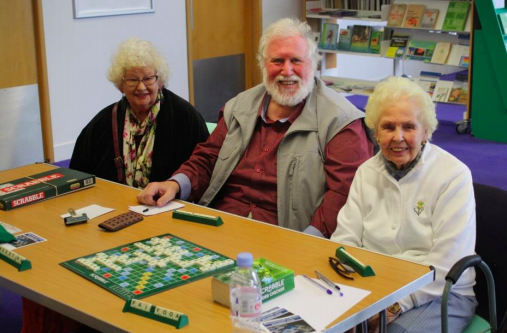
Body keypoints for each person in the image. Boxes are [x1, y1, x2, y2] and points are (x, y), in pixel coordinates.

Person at [137, 18, 374, 238]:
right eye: (277, 61)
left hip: (285, 238)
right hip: (219, 224)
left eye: (296, 61)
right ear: (263, 64)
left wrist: (308, 243)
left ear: (313, 64)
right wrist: (174, 184)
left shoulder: (341, 121)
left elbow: (344, 196)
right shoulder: (239, 106)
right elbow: (208, 158)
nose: (287, 71)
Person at [331, 77, 477, 332]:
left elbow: (446, 265)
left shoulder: (453, 175)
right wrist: (350, 293)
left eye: (409, 127)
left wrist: (393, 305)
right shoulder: (366, 172)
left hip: (441, 292)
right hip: (376, 283)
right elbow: (345, 239)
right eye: (388, 127)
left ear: (426, 132)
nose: (398, 137)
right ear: (375, 132)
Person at [70, 37, 209, 189]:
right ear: (121, 85)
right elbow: (78, 175)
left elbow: (204, 169)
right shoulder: (102, 123)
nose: (141, 87)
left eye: (148, 78)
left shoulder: (185, 117)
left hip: (168, 205)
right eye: (132, 79)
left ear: (160, 81)